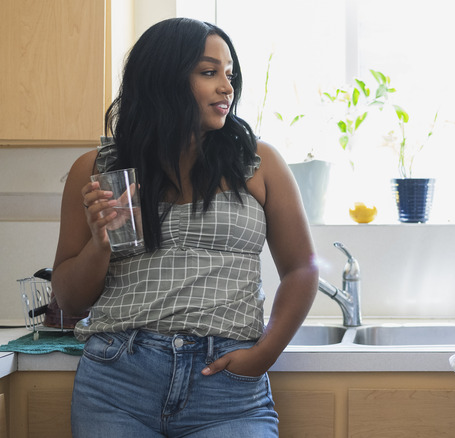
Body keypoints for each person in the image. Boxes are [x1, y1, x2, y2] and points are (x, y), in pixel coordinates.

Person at [51, 18, 318, 437]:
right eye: (209, 72)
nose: (227, 87)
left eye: (229, 74)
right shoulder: (97, 170)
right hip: (117, 381)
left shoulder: (260, 163)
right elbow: (69, 299)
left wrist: (263, 354)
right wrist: (100, 242)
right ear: (164, 79)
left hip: (227, 389)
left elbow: (303, 269)